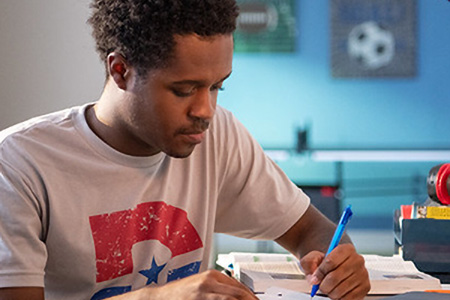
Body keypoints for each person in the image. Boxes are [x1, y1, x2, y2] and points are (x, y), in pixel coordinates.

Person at [0, 0, 370, 299]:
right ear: (120, 70)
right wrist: (160, 297)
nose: (205, 112)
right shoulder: (19, 164)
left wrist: (337, 265)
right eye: (183, 90)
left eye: (216, 87)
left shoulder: (217, 134)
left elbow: (310, 230)